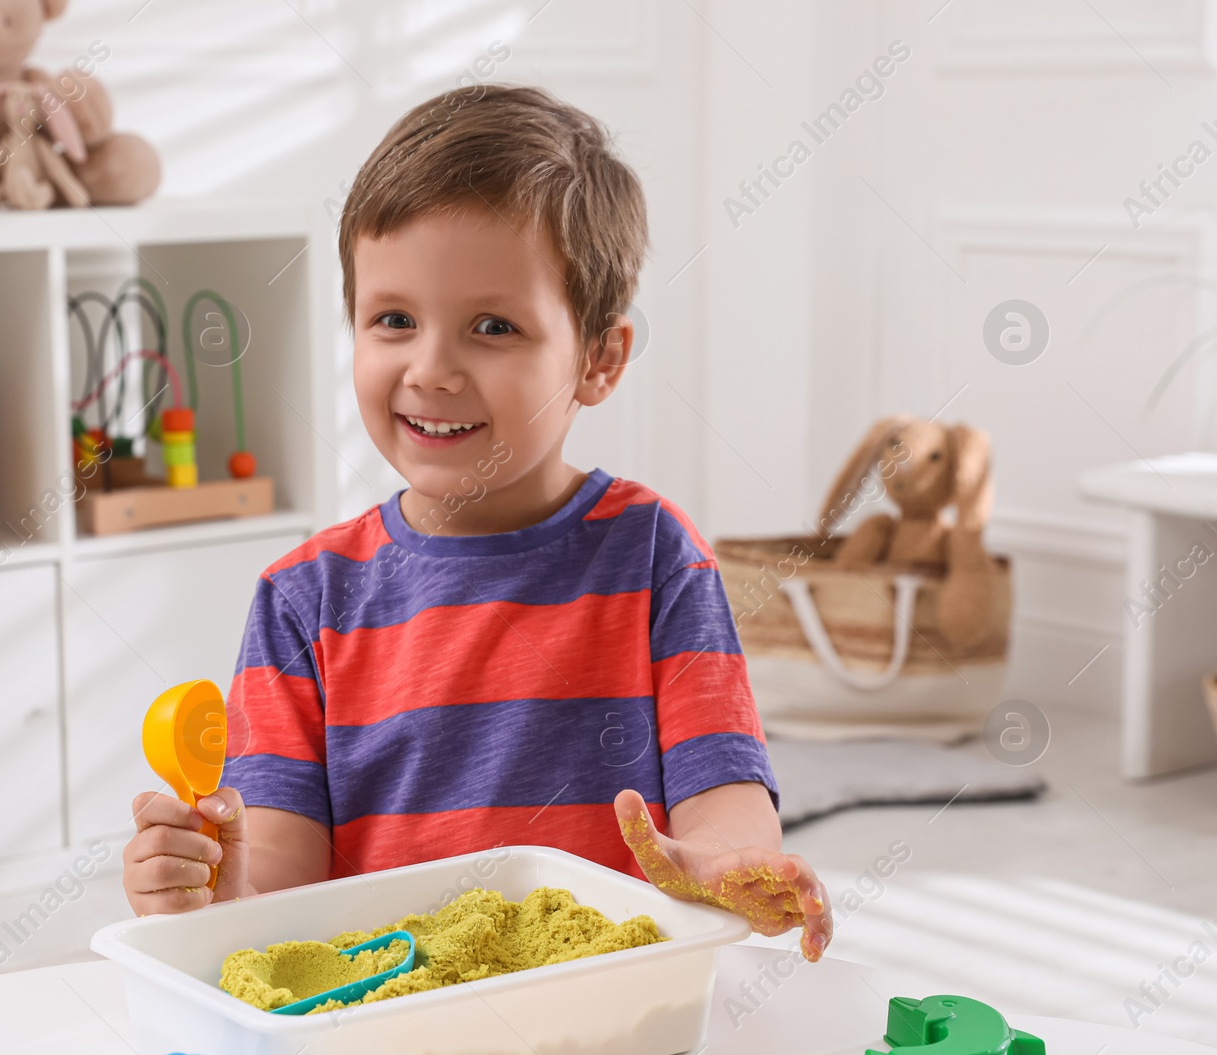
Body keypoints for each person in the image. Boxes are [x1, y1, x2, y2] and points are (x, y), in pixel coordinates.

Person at [123, 85, 831, 961]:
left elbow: (721, 790)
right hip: (388, 1017)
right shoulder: (303, 601)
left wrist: (726, 864)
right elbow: (277, 875)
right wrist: (217, 890)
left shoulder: (653, 554)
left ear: (598, 359)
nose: (431, 368)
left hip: (607, 1000)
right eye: (394, 320)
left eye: (493, 326)